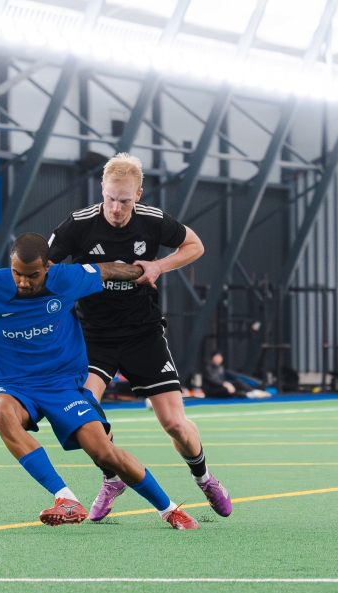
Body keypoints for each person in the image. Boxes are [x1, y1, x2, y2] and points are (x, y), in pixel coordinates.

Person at [0, 233, 199, 530]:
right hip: (15, 385)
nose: (23, 282)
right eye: (17, 273)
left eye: (32, 275)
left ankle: (169, 510)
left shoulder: (68, 278)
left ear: (48, 266)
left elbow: (108, 270)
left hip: (64, 386)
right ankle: (66, 498)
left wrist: (150, 269)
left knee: (105, 453)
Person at [47, 152, 231, 521]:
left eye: (125, 201)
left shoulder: (153, 220)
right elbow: (44, 266)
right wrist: (76, 280)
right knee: (83, 415)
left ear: (139, 195)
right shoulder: (78, 225)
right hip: (94, 335)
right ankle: (112, 478)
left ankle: (205, 478)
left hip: (143, 333)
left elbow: (195, 245)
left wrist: (159, 265)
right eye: (110, 198)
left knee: (175, 424)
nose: (116, 208)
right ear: (101, 189)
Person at [204, 352, 270, 399]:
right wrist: (225, 384)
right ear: (213, 358)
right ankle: (246, 395)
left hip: (223, 386)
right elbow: (214, 380)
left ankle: (253, 392)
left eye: (220, 357)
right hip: (212, 390)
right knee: (226, 389)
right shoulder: (208, 368)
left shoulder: (221, 368)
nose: (219, 359)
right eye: (217, 357)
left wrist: (229, 384)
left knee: (238, 383)